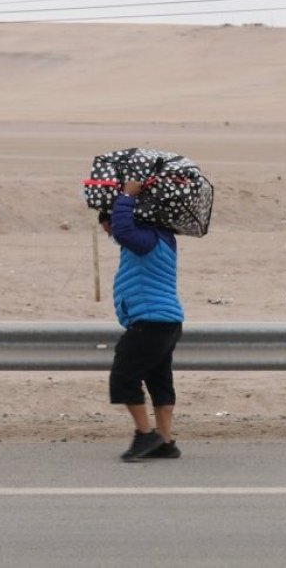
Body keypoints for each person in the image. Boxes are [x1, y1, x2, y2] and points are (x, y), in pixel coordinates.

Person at [98, 180, 184, 461]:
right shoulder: (162, 237)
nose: (108, 232)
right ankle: (166, 441)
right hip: (165, 322)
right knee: (159, 380)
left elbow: (124, 229)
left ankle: (146, 435)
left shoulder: (145, 239)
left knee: (124, 376)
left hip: (152, 322)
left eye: (106, 225)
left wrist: (126, 195)